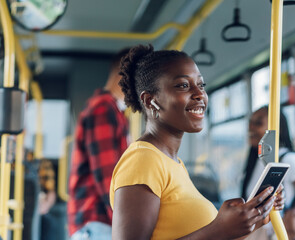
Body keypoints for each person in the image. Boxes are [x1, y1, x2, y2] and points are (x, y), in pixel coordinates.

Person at [110, 44, 285, 240]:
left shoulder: (174, 163)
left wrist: (255, 217)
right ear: (151, 100)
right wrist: (218, 229)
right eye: (183, 85)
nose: (199, 94)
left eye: (201, 85)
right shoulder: (143, 160)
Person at [67, 48, 131, 239]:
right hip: (97, 222)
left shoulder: (112, 110)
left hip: (98, 222)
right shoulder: (103, 109)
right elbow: (108, 177)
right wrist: (126, 224)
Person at [241, 106, 295, 240]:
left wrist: (293, 213)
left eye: (258, 123)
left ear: (277, 129)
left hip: (273, 234)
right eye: (250, 123)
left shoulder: (289, 160)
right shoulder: (257, 160)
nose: (251, 128)